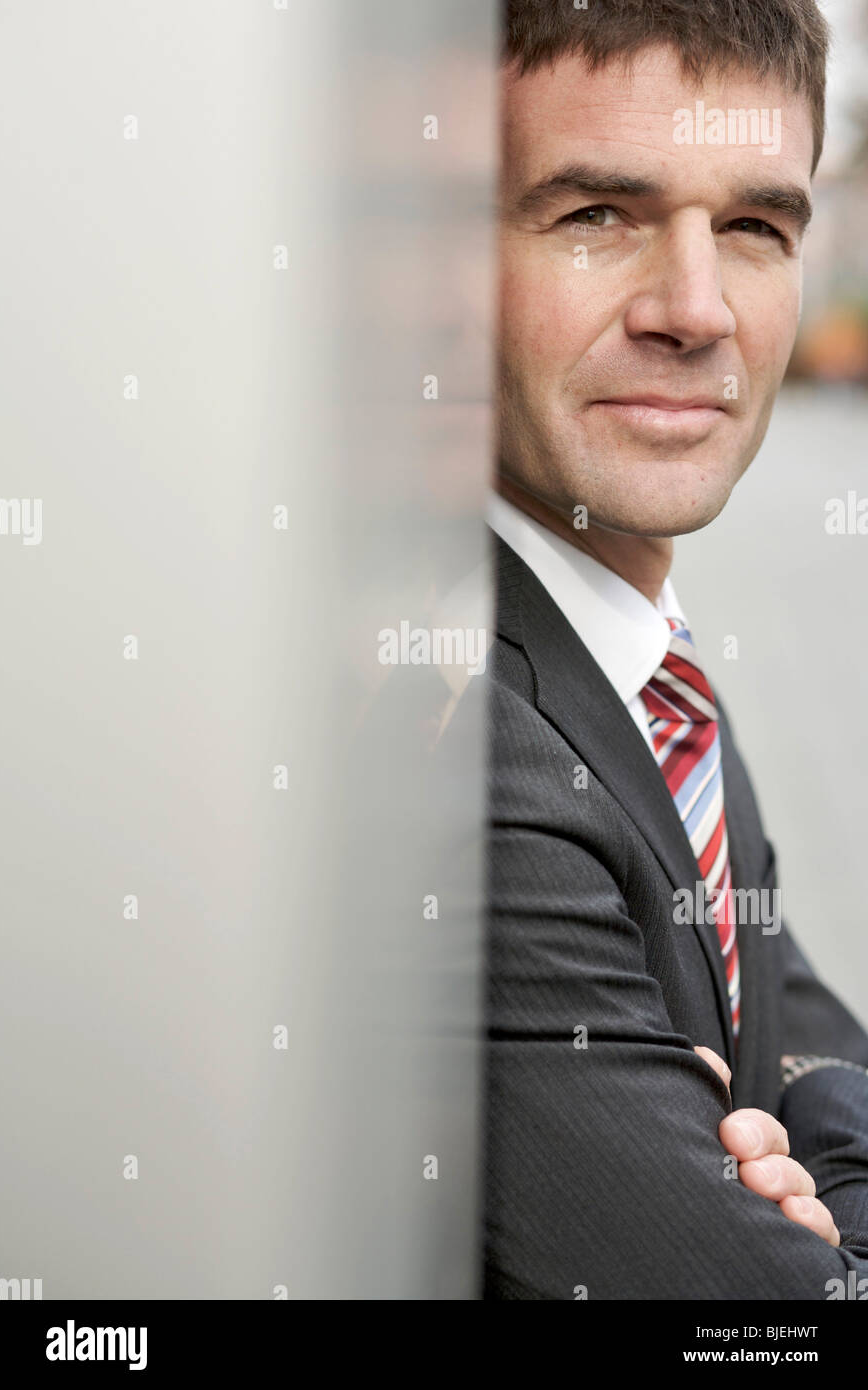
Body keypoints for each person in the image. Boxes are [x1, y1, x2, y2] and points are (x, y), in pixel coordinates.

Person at [482, 0, 868, 1299]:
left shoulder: (646, 668)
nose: (696, 310)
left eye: (756, 226)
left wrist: (833, 1167)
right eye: (598, 214)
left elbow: (803, 1035)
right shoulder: (463, 755)